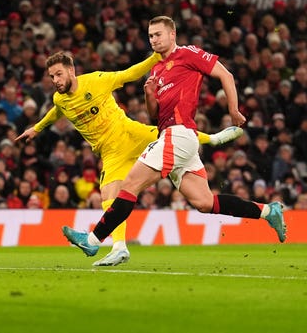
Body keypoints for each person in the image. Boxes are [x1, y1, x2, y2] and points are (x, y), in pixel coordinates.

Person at [60, 16, 287, 262]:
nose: (154, 40)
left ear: (172, 34)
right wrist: (149, 94)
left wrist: (233, 109)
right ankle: (267, 211)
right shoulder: (156, 70)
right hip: (176, 137)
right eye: (150, 36)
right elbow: (154, 115)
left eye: (158, 34)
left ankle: (93, 241)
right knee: (204, 202)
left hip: (178, 134)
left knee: (129, 185)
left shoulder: (189, 54)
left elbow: (226, 75)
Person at [16, 48, 244, 266]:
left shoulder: (96, 80)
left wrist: (155, 58)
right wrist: (37, 128)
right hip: (111, 151)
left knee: (169, 133)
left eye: (58, 74)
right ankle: (119, 248)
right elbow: (57, 111)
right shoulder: (59, 98)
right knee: (109, 195)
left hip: (128, 133)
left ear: (71, 70)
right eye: (51, 76)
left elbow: (130, 74)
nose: (55, 80)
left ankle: (213, 139)